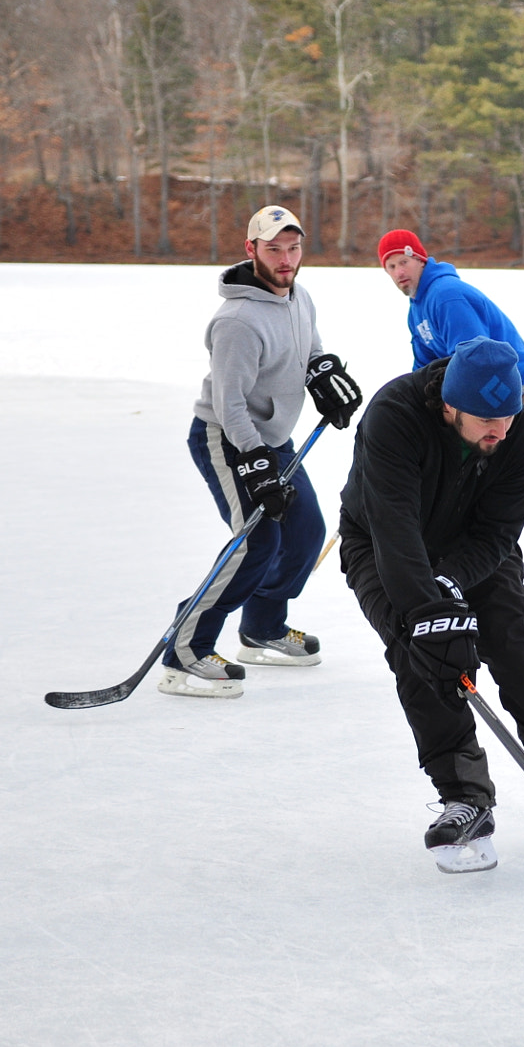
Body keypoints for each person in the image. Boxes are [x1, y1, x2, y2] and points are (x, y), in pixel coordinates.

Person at [337, 335, 524, 872]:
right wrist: (428, 608)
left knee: (516, 647)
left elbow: (495, 534)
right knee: (420, 652)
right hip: (381, 543)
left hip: (474, 550)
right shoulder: (393, 415)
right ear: (449, 405)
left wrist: (451, 583)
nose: (499, 429)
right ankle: (465, 797)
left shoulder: (521, 436)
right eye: (485, 418)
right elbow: (393, 527)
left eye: (507, 416)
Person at [161, 204, 363, 699]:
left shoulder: (300, 296)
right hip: (224, 438)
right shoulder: (237, 321)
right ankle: (185, 650)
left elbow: (310, 349)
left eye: (293, 248)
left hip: (272, 439)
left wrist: (323, 374)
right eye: (274, 249)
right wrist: (254, 465)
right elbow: (230, 406)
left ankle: (263, 628)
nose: (286, 258)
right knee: (256, 543)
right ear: (251, 250)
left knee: (306, 533)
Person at [377, 228, 524, 576]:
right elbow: (425, 369)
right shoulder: (418, 309)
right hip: (480, 396)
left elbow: (474, 355)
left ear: (420, 258)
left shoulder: (446, 296)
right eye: (390, 266)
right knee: (477, 479)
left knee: (491, 479)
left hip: (509, 392)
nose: (399, 272)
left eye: (404, 261)